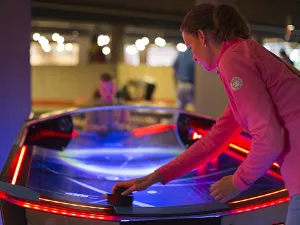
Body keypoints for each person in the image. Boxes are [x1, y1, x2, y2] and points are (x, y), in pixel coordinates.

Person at [110, 3, 300, 224]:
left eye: (190, 47)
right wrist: (154, 177)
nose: (193, 58)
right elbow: (213, 140)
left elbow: (270, 139)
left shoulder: (233, 60)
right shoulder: (246, 52)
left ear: (202, 36)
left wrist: (238, 182)